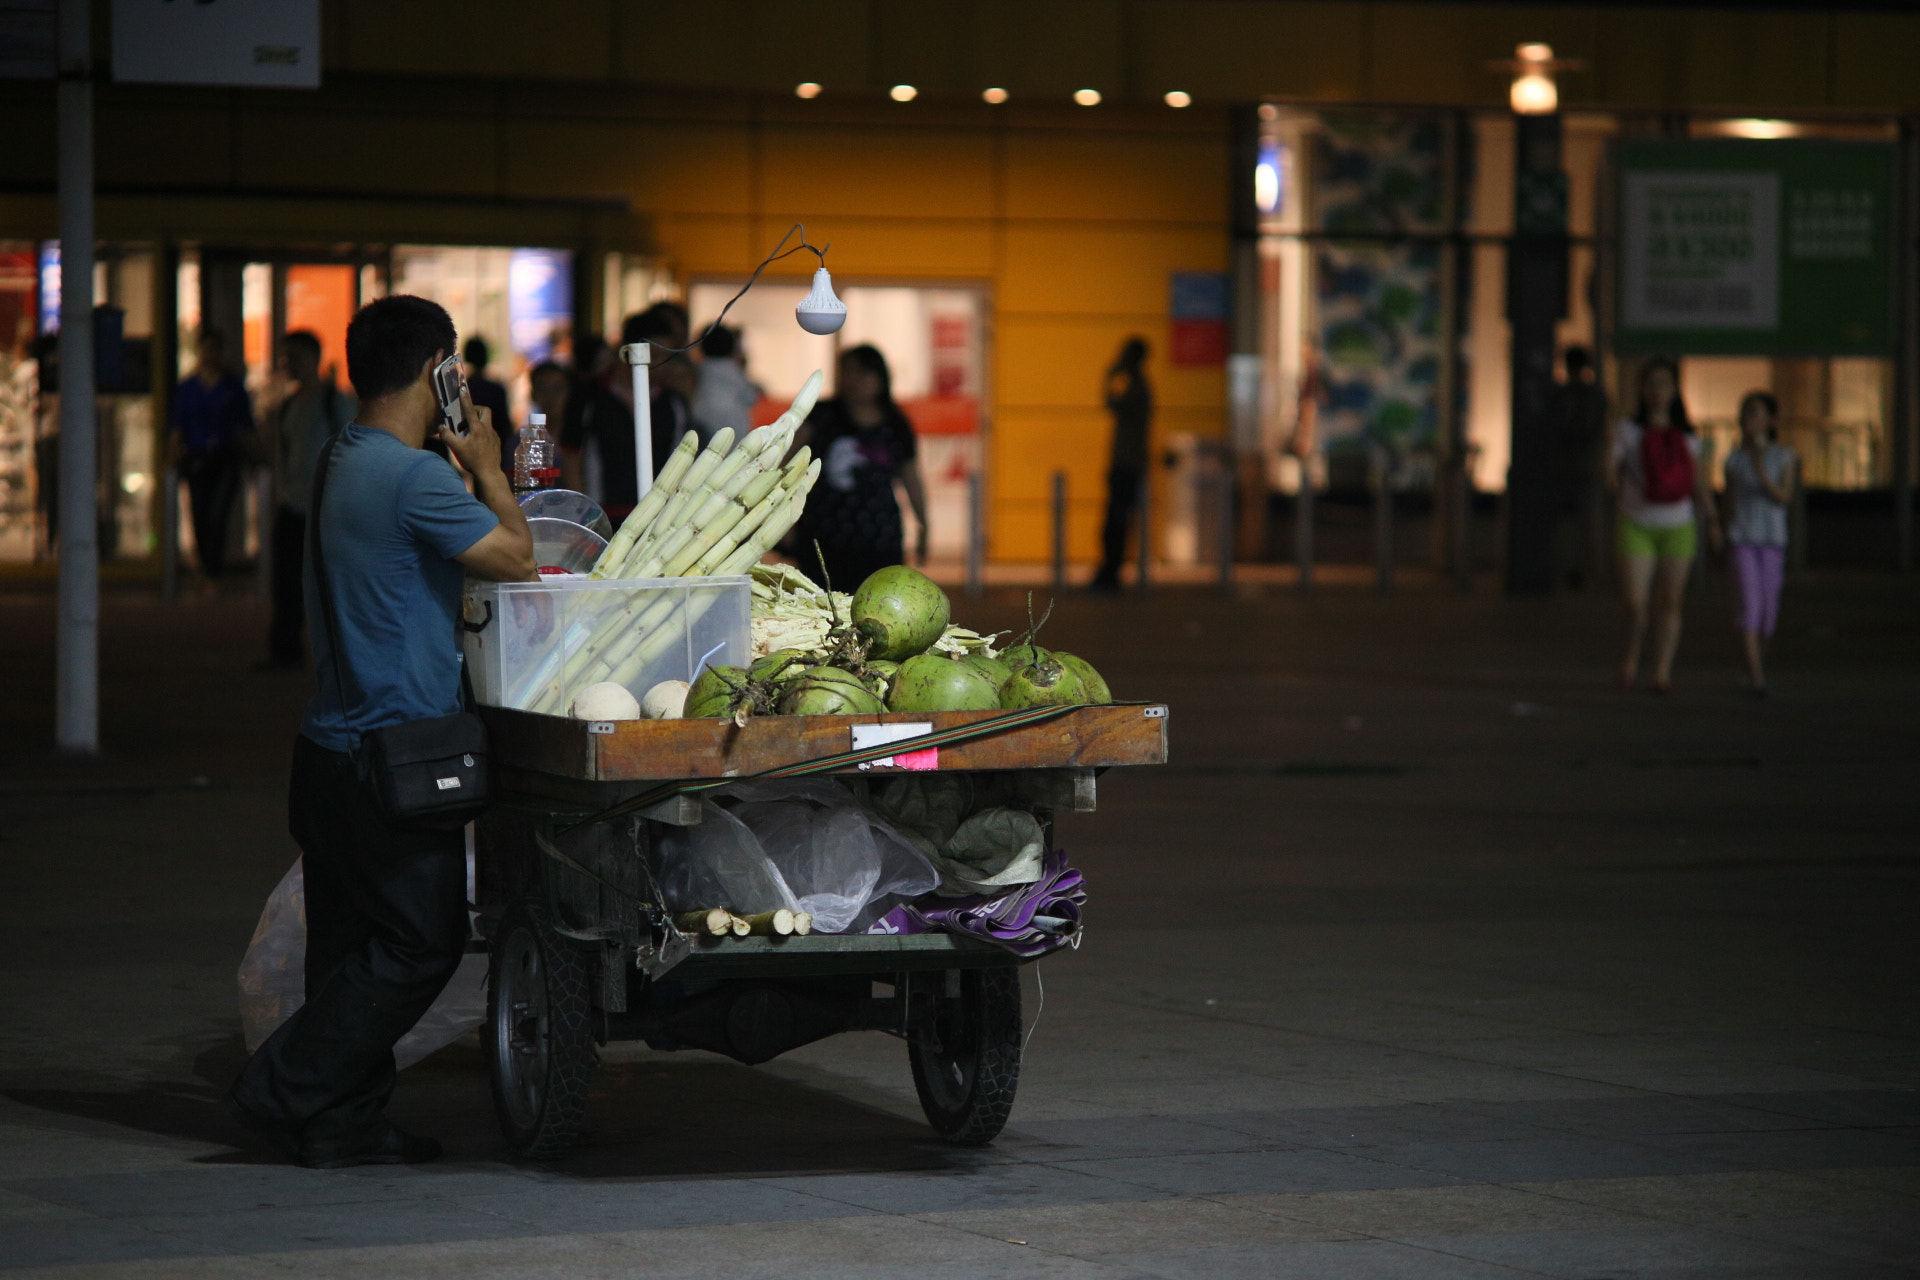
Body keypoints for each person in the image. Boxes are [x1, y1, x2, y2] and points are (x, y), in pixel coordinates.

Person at [225, 295, 534, 1168]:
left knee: (347, 950)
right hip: (395, 759)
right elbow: (517, 560)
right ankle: (280, 1087)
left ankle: (342, 1127)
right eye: (458, 370)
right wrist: (490, 465)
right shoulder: (415, 477)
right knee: (420, 942)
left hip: (327, 753)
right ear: (439, 368)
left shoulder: (340, 457)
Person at [1609, 358, 1721, 693]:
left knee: (1671, 600)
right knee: (1636, 602)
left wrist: (1713, 521)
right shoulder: (1627, 430)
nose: (1657, 391)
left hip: (1679, 524)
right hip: (1636, 521)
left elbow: (1701, 483)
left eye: (1664, 383)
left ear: (1674, 390)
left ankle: (1662, 671)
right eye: (1651, 383)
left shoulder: (1689, 436)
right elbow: (1610, 471)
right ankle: (1631, 657)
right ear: (1641, 390)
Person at [792, 344, 928, 590]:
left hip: (879, 539)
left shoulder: (896, 423)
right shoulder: (822, 416)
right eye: (848, 372)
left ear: (880, 377)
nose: (854, 380)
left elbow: (912, 478)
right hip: (823, 537)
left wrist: (923, 524)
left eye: (862, 372)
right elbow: (789, 463)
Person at [260, 331, 355, 669]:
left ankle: (332, 653)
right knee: (285, 581)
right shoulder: (287, 405)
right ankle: (286, 649)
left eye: (295, 357)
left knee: (327, 583)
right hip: (293, 504)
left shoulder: (334, 401)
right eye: (286, 358)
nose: (289, 365)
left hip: (326, 506)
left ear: (314, 358)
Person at [559, 308, 692, 524]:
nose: (662, 366)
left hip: (658, 518)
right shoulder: (589, 396)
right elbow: (571, 456)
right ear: (629, 352)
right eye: (655, 356)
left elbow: (682, 460)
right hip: (603, 516)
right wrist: (584, 514)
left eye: (667, 357)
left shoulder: (674, 402)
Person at [1721, 391, 1797, 694]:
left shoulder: (1784, 455)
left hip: (1772, 541)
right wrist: (1719, 533)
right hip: (1741, 538)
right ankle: (1757, 677)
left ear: (1769, 420)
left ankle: (1749, 663)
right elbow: (1728, 500)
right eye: (1745, 412)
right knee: (1749, 608)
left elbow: (1784, 496)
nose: (1747, 419)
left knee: (1768, 617)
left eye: (1754, 412)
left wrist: (1763, 474)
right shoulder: (1733, 459)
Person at [169, 330, 255, 580]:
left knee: (218, 514)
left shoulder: (232, 387)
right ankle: (206, 567)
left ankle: (212, 570)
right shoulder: (188, 388)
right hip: (197, 457)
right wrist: (171, 458)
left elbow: (245, 426)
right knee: (199, 513)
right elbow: (177, 426)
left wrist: (259, 454)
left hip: (225, 457)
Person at [1091, 337, 1151, 591]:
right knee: (1116, 520)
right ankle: (1110, 569)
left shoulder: (1138, 389)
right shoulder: (1138, 388)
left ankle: (1111, 572)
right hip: (1128, 462)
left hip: (1127, 464)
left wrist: (1109, 377)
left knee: (1116, 521)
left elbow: (1111, 404)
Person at [1548, 346, 1609, 589]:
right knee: (1587, 521)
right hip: (1587, 464)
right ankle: (1585, 568)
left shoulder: (1559, 394)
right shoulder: (1595, 395)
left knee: (1563, 522)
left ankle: (1566, 568)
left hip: (1563, 465)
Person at [691, 324, 762, 447]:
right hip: (734, 424)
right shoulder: (734, 370)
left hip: (704, 420)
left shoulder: (700, 369)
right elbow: (751, 397)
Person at [462, 336, 515, 474]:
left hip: (470, 444)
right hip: (497, 445)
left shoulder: (464, 389)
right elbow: (505, 423)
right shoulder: (497, 388)